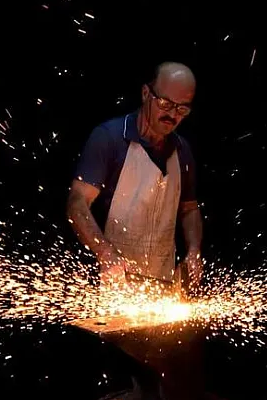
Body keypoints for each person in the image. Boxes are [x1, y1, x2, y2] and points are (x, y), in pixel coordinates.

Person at [66, 62, 203, 293]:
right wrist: (104, 252)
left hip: (163, 287)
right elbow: (77, 203)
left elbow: (189, 209)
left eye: (182, 109)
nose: (171, 114)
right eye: (165, 104)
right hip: (111, 284)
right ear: (146, 93)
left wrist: (193, 251)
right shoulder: (109, 138)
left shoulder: (183, 151)